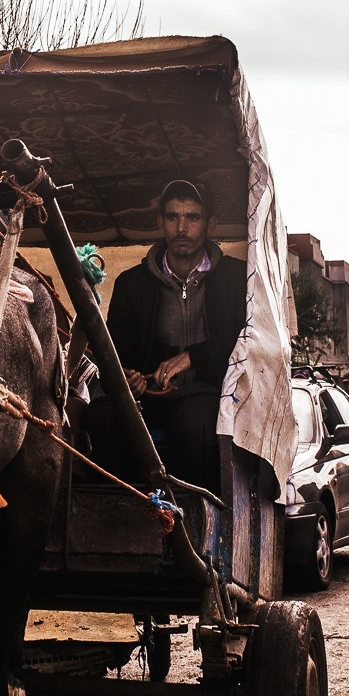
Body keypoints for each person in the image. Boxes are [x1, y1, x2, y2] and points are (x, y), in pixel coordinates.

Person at [83, 180, 246, 492]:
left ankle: (189, 517)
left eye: (193, 217)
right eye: (172, 217)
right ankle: (124, 510)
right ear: (160, 222)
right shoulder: (132, 283)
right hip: (149, 401)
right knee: (99, 415)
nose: (181, 227)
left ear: (210, 224)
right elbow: (115, 352)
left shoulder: (236, 279)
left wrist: (193, 357)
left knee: (195, 420)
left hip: (214, 395)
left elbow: (247, 341)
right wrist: (128, 377)